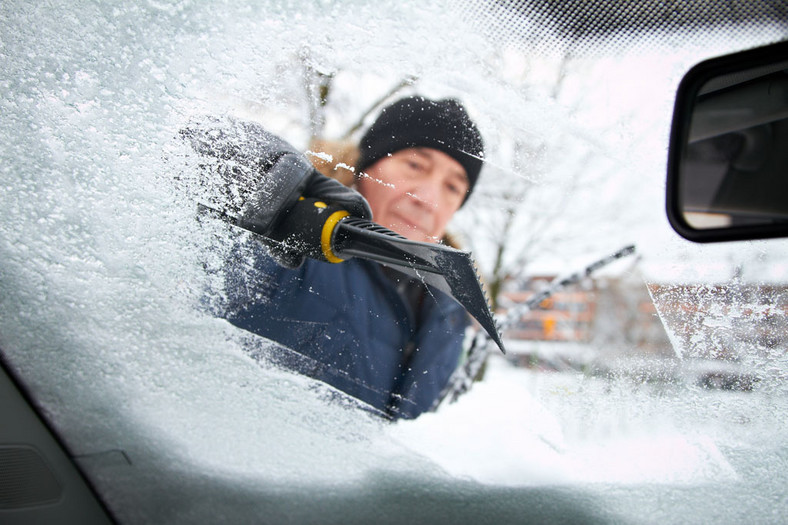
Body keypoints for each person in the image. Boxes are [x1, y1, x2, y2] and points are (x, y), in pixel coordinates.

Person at [189, 96, 485, 419]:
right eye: (414, 165)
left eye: (453, 188)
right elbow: (187, 146)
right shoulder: (286, 240)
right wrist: (263, 175)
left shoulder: (450, 317)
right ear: (365, 166)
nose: (428, 200)